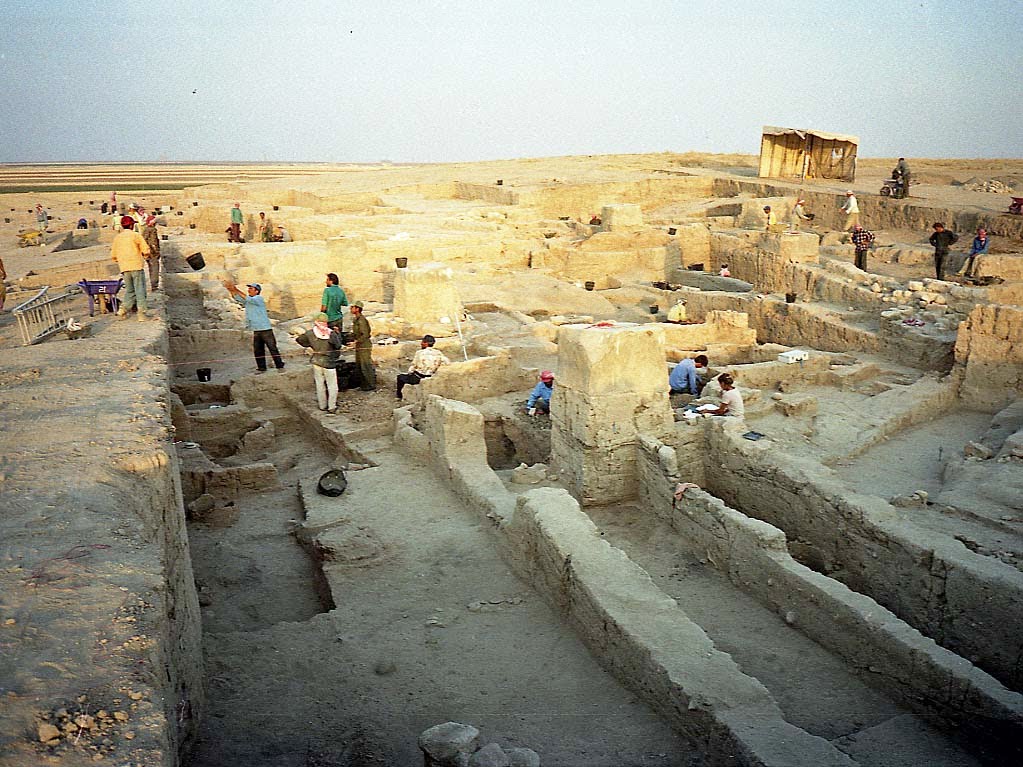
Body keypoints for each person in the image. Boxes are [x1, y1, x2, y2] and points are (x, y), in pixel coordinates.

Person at [222, 281, 285, 373]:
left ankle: (279, 366)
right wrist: (231, 290)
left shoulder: (258, 298)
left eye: (251, 288)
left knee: (272, 348)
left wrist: (235, 289)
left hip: (265, 328)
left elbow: (245, 297)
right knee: (258, 350)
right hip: (256, 329)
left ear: (256, 291)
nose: (249, 290)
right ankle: (261, 368)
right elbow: (238, 298)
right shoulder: (249, 301)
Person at [295, 313, 345, 412]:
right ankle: (332, 406)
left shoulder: (310, 333)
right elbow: (338, 345)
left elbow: (299, 340)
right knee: (332, 385)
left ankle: (322, 406)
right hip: (328, 363)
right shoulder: (331, 333)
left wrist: (311, 346)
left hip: (316, 361)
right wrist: (338, 334)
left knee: (320, 384)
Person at [111, 215, 152, 321]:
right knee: (140, 290)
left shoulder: (117, 238)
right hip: (136, 266)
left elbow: (114, 256)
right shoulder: (135, 235)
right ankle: (142, 314)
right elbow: (146, 250)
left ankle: (122, 310)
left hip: (124, 267)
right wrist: (146, 256)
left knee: (130, 290)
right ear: (131, 225)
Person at [396, 334, 450, 399]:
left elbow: (412, 367)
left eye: (422, 342)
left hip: (418, 377)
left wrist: (410, 372)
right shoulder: (438, 353)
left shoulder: (419, 353)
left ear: (425, 343)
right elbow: (447, 363)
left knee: (400, 377)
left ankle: (399, 396)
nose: (421, 343)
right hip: (430, 376)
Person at [347, 301, 375, 391]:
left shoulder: (362, 320)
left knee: (365, 365)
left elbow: (365, 334)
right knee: (359, 365)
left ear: (357, 309)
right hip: (360, 345)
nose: (351, 309)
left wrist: (356, 342)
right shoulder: (356, 319)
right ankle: (363, 384)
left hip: (364, 345)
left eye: (353, 307)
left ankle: (370, 385)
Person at [142, 213, 161, 290]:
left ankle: (153, 285)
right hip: (152, 252)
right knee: (155, 268)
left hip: (147, 252)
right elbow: (153, 242)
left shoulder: (146, 230)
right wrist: (157, 252)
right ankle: (154, 285)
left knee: (151, 268)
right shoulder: (152, 230)